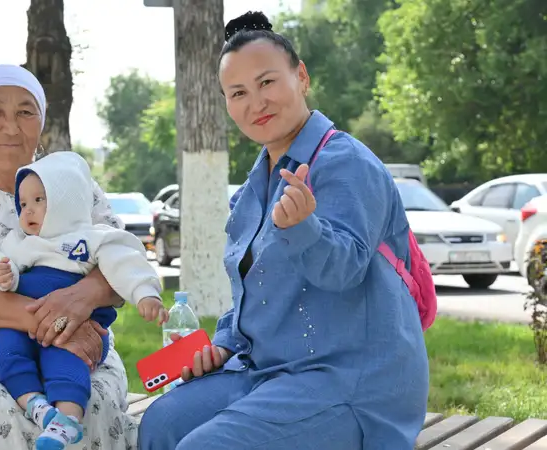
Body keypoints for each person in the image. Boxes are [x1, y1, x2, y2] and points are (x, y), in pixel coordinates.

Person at [138, 11, 429, 450]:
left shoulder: (347, 163)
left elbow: (345, 270)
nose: (256, 103)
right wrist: (221, 345)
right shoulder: (252, 191)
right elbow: (252, 297)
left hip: (350, 382)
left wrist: (304, 228)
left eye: (267, 82)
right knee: (160, 424)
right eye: (238, 93)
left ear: (302, 77)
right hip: (266, 372)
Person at [0, 64, 140, 449]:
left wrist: (80, 303)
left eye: (25, 111)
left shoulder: (74, 186)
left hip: (81, 338)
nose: (10, 126)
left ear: (40, 124)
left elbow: (118, 253)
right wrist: (59, 324)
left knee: (95, 403)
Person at [0, 150, 167, 450]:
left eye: (39, 200)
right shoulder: (21, 242)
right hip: (24, 327)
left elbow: (124, 261)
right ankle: (37, 406)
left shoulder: (89, 238)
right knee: (1, 350)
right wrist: (3, 275)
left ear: (64, 200)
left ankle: (68, 419)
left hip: (78, 328)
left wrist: (145, 293)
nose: (27, 211)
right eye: (23, 203)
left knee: (66, 361)